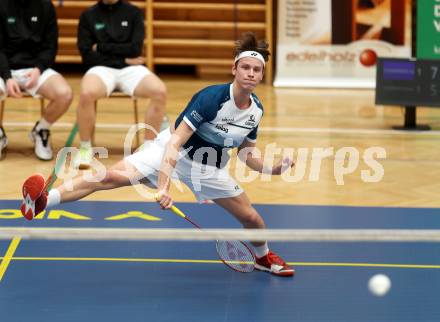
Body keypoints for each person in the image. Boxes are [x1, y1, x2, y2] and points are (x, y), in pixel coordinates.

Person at [20, 32, 295, 277]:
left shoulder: (255, 111)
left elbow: (247, 155)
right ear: (234, 69)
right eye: (245, 67)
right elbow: (174, 144)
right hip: (170, 150)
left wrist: (274, 168)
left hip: (208, 168)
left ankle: (262, 258)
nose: (250, 73)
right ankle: (45, 200)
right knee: (108, 177)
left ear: (261, 75)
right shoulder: (212, 98)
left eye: (256, 69)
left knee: (252, 219)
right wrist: (163, 186)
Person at [74, 0, 167, 169]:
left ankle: (149, 149)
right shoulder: (88, 15)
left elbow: (135, 49)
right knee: (87, 93)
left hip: (130, 69)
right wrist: (122, 57)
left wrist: (101, 47)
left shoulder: (133, 12)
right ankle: (85, 148)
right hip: (101, 68)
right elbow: (87, 55)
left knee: (159, 91)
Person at [0, 0, 73, 160]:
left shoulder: (46, 6)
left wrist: (39, 68)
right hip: (4, 68)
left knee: (65, 94)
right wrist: (7, 76)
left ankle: (41, 129)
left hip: (35, 70)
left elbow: (50, 46)